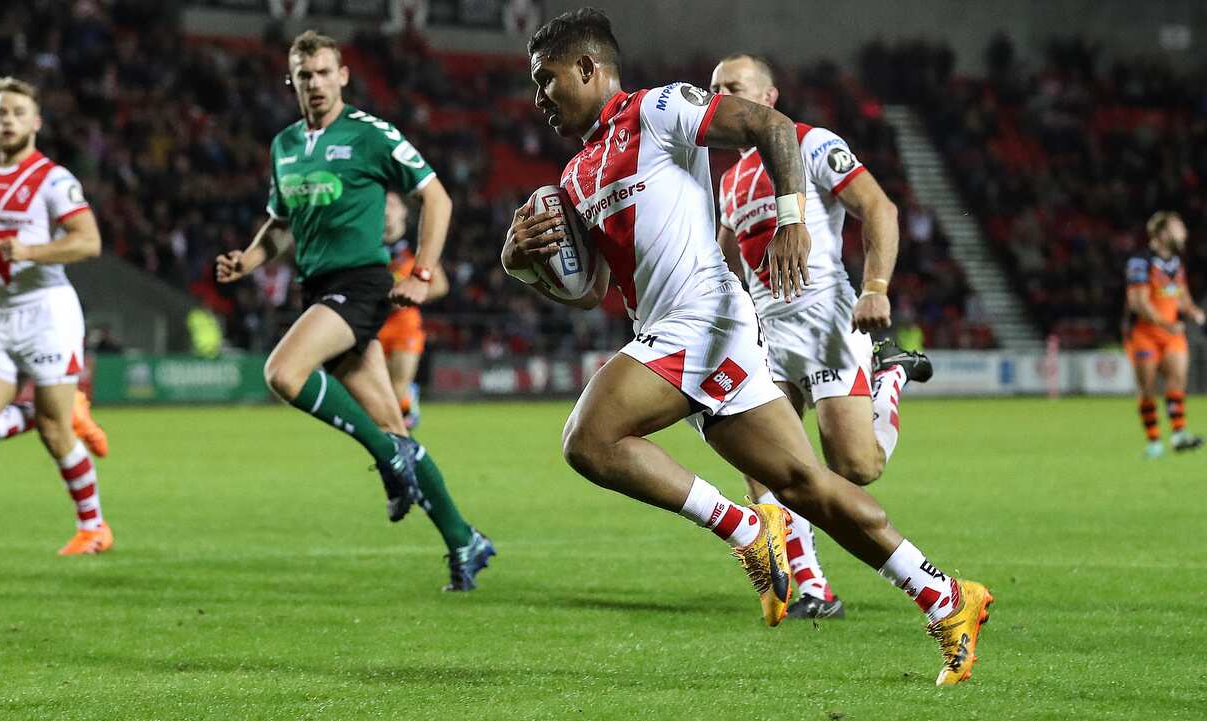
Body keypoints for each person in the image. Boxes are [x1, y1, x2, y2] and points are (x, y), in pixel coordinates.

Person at [503, 9, 991, 684]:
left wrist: (792, 215)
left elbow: (771, 126)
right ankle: (946, 596)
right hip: (691, 334)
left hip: (702, 322)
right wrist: (519, 263)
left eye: (546, 79)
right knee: (808, 485)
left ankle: (744, 528)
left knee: (588, 438)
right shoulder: (577, 176)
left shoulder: (658, 109)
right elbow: (586, 288)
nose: (538, 98)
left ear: (588, 68)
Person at [215, 31, 492, 591]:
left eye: (322, 72)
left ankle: (387, 459)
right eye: (303, 75)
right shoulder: (284, 146)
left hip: (362, 285)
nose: (313, 83)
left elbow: (437, 197)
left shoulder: (370, 135)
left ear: (342, 75)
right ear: (291, 81)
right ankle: (464, 540)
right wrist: (248, 257)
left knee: (283, 372)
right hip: (317, 288)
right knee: (395, 425)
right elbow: (280, 227)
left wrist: (420, 274)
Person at [711, 53, 933, 619]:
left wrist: (876, 286)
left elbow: (878, 207)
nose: (722, 99)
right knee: (763, 458)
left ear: (768, 98)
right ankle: (811, 586)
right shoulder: (730, 179)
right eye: (714, 91)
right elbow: (722, 261)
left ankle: (891, 377)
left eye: (732, 87)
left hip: (827, 323)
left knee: (856, 468)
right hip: (766, 336)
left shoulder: (811, 144)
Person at [0, 77, 112, 555]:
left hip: (49, 314)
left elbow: (89, 241)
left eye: (18, 112)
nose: (8, 121)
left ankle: (94, 528)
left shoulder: (54, 180)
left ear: (36, 122)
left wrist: (30, 250)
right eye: (0, 112)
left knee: (53, 431)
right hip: (1, 318)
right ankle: (64, 408)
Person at [1123, 211, 1204, 458]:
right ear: (1162, 233)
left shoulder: (1177, 264)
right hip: (1145, 333)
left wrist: (1196, 313)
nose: (1184, 232)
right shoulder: (1139, 261)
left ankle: (1179, 436)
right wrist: (1166, 324)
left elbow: (1182, 298)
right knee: (1148, 389)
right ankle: (1154, 443)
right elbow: (1138, 303)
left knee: (1177, 380)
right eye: (1178, 227)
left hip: (1172, 333)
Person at [378, 191, 450, 428]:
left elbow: (440, 286)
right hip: (373, 322)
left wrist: (410, 295)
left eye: (392, 203)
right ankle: (407, 405)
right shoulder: (369, 247)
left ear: (403, 212)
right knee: (381, 386)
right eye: (382, 204)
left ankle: (398, 433)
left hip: (404, 324)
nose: (386, 209)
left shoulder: (417, 249)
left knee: (397, 384)